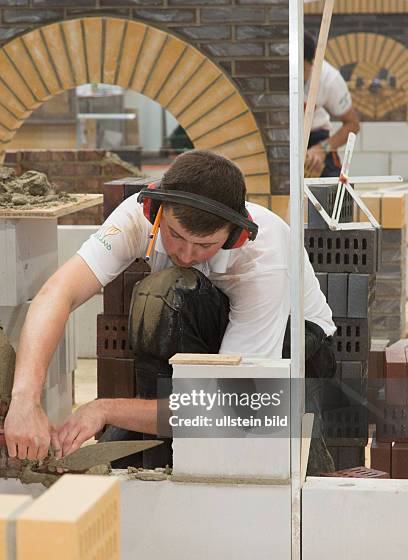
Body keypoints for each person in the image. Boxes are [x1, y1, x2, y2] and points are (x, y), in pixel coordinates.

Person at [4, 150, 337, 473]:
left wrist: (105, 409)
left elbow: (231, 407)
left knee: (174, 293)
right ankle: (160, 438)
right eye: (175, 235)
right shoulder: (137, 218)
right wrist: (24, 400)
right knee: (169, 293)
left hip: (296, 342)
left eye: (205, 245)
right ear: (156, 211)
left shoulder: (263, 261)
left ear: (234, 237)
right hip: (211, 325)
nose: (186, 253)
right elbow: (58, 293)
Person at [304, 31, 360, 178]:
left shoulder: (329, 79)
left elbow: (353, 124)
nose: (294, 75)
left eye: (301, 68)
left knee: (335, 194)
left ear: (313, 62)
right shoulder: (272, 75)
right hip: (279, 138)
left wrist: (323, 148)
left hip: (315, 139)